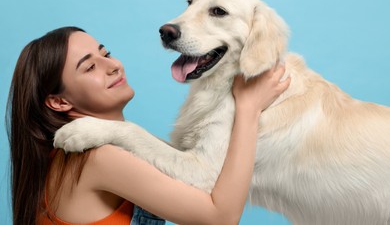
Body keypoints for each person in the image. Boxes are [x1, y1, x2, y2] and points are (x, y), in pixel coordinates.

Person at [6, 26, 290, 225]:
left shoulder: (92, 152)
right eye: (90, 67)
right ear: (58, 102)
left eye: (105, 54)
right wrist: (249, 108)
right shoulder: (98, 157)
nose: (113, 65)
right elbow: (220, 217)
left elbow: (200, 178)